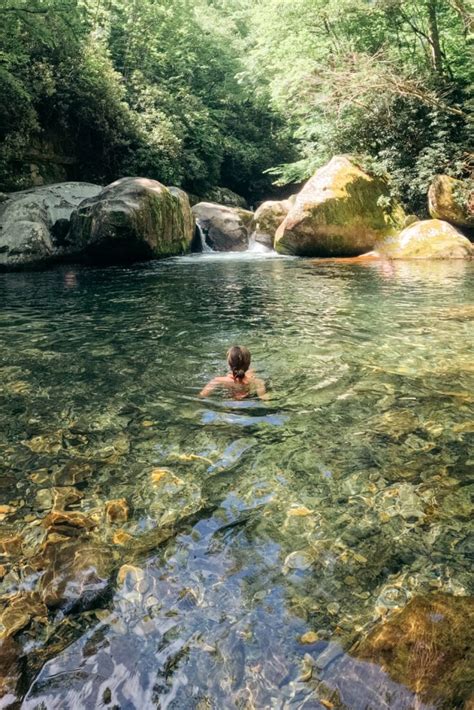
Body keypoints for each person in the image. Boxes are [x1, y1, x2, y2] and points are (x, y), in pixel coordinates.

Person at [199, 346, 267, 400]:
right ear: (249, 364)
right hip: (249, 399)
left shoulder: (218, 380)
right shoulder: (257, 382)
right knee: (251, 372)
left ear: (229, 364)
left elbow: (201, 396)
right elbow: (265, 399)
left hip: (228, 405)